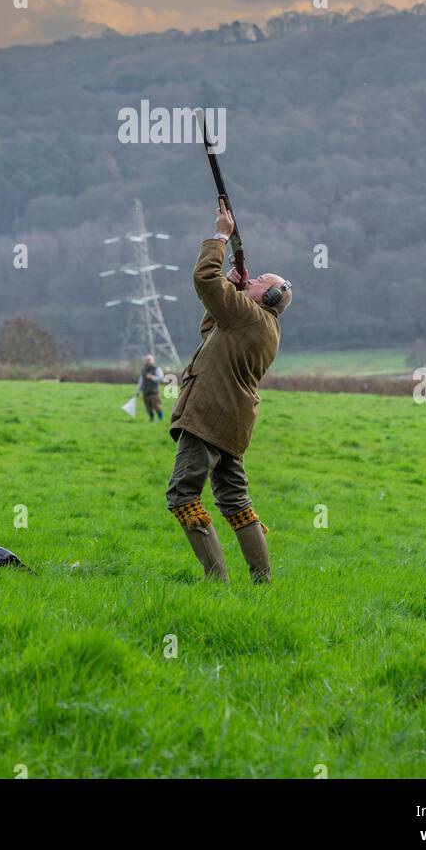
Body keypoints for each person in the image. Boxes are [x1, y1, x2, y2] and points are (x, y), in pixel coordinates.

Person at [166, 201, 292, 583]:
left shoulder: (247, 314)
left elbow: (205, 280)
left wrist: (220, 236)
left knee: (183, 495)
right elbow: (212, 332)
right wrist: (236, 285)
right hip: (233, 425)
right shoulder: (261, 323)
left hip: (208, 418)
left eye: (258, 282)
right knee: (236, 502)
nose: (251, 281)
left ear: (266, 297)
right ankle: (262, 580)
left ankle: (215, 579)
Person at [136, 354, 165, 421]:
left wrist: (152, 377)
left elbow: (161, 378)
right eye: (147, 360)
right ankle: (151, 419)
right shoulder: (143, 370)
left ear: (153, 361)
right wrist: (138, 391)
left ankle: (161, 419)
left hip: (154, 392)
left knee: (157, 407)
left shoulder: (157, 369)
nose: (148, 361)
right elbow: (141, 381)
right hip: (145, 392)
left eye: (149, 360)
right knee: (148, 408)